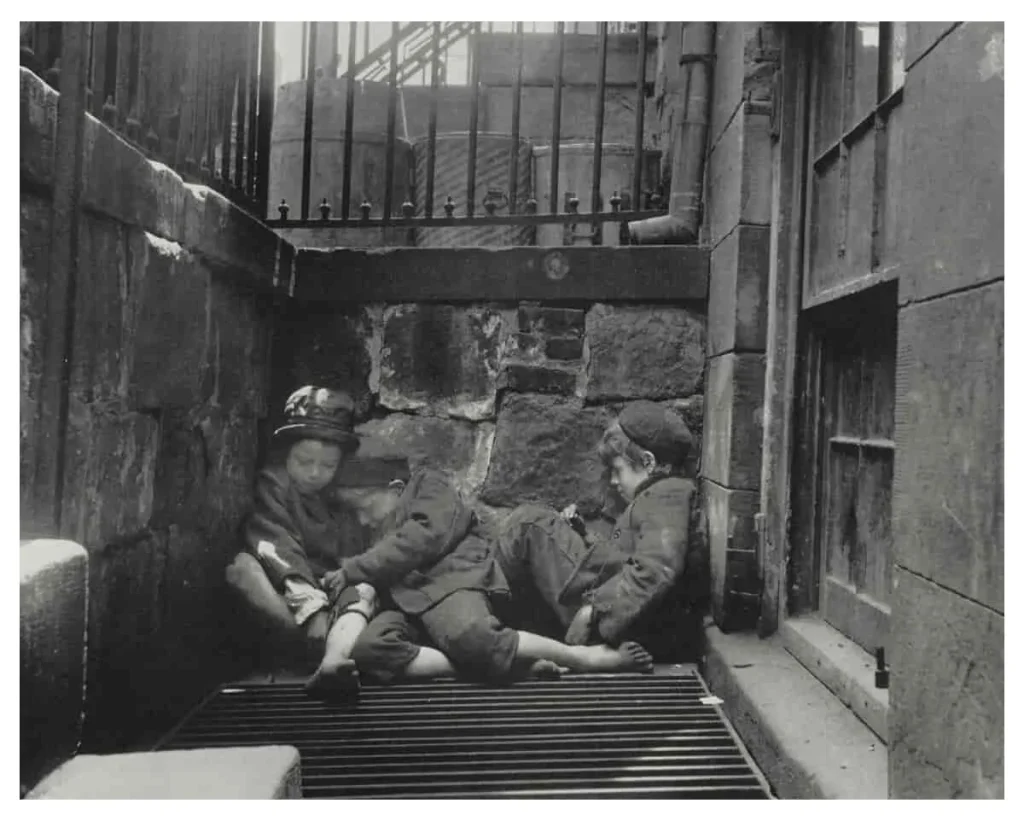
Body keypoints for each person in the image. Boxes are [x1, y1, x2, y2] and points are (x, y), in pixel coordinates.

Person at [335, 456, 654, 685]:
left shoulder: (427, 487)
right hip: (410, 603)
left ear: (395, 488)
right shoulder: (369, 529)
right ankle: (502, 666)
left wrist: (354, 570)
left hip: (451, 581)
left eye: (365, 508)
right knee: (369, 651)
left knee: (474, 637)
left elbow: (422, 538)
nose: (362, 520)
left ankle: (585, 657)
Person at [495, 400, 704, 662]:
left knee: (528, 526)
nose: (614, 481)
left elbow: (656, 569)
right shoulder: (661, 495)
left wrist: (593, 611)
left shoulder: (666, 495)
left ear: (648, 462)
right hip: (624, 617)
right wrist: (584, 536)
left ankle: (486, 629)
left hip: (619, 625)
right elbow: (628, 556)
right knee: (539, 523)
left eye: (618, 470)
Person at [224, 385, 377, 696]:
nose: (314, 473)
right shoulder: (275, 484)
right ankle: (306, 651)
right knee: (240, 569)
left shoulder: (341, 500)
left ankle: (333, 656)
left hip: (330, 599)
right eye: (304, 461)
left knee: (366, 590)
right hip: (289, 596)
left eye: (327, 465)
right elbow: (277, 546)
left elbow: (351, 559)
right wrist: (312, 611)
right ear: (286, 454)